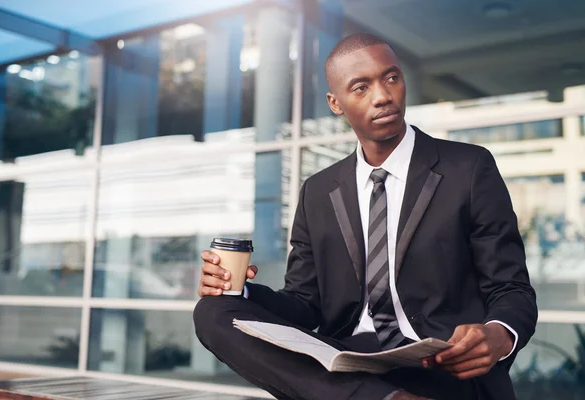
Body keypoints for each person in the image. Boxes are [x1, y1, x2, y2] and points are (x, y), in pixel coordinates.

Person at [193, 33, 537, 400]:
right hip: (349, 367)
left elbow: (511, 288)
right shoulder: (318, 191)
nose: (383, 95)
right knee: (212, 312)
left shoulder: (468, 168)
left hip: (441, 362)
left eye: (391, 78)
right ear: (335, 103)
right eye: (361, 87)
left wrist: (499, 335)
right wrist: (237, 290)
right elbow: (305, 306)